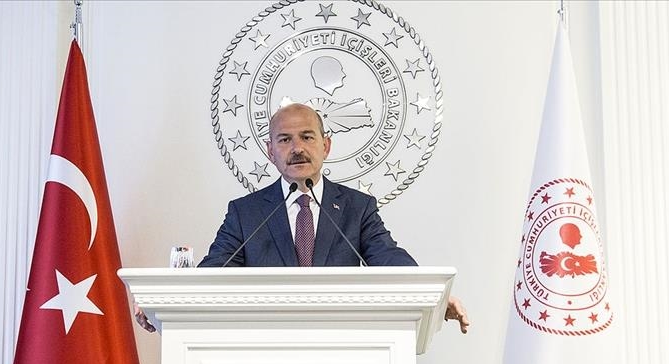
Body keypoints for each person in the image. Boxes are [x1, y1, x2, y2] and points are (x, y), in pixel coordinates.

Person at [198, 103, 470, 333]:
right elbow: (215, 271)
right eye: (285, 140)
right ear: (271, 151)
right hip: (266, 341)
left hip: (340, 339)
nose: (297, 148)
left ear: (326, 146)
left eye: (307, 137)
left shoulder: (357, 207)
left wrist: (432, 296)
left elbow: (388, 257)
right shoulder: (246, 212)